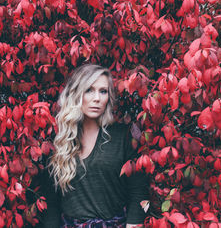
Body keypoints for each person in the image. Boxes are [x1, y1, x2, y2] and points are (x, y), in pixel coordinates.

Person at [41, 64, 149, 228]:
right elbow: (51, 200)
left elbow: (138, 190)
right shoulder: (58, 140)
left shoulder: (124, 136)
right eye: (89, 90)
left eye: (103, 91)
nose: (97, 98)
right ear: (76, 94)